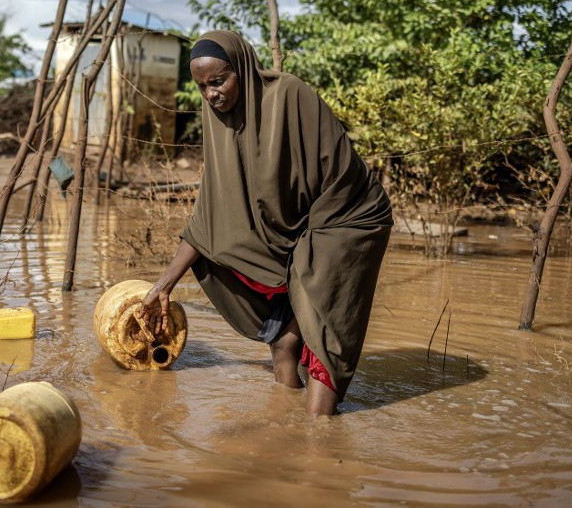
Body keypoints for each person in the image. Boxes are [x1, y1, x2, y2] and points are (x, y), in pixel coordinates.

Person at [140, 30, 393, 415]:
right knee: (284, 342)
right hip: (299, 226)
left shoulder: (290, 96)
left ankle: (318, 437)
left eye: (219, 80)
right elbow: (208, 219)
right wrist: (164, 285)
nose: (212, 95)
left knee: (322, 329)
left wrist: (305, 263)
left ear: (242, 68)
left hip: (348, 217)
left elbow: (338, 175)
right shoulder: (219, 123)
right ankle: (284, 430)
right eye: (202, 87)